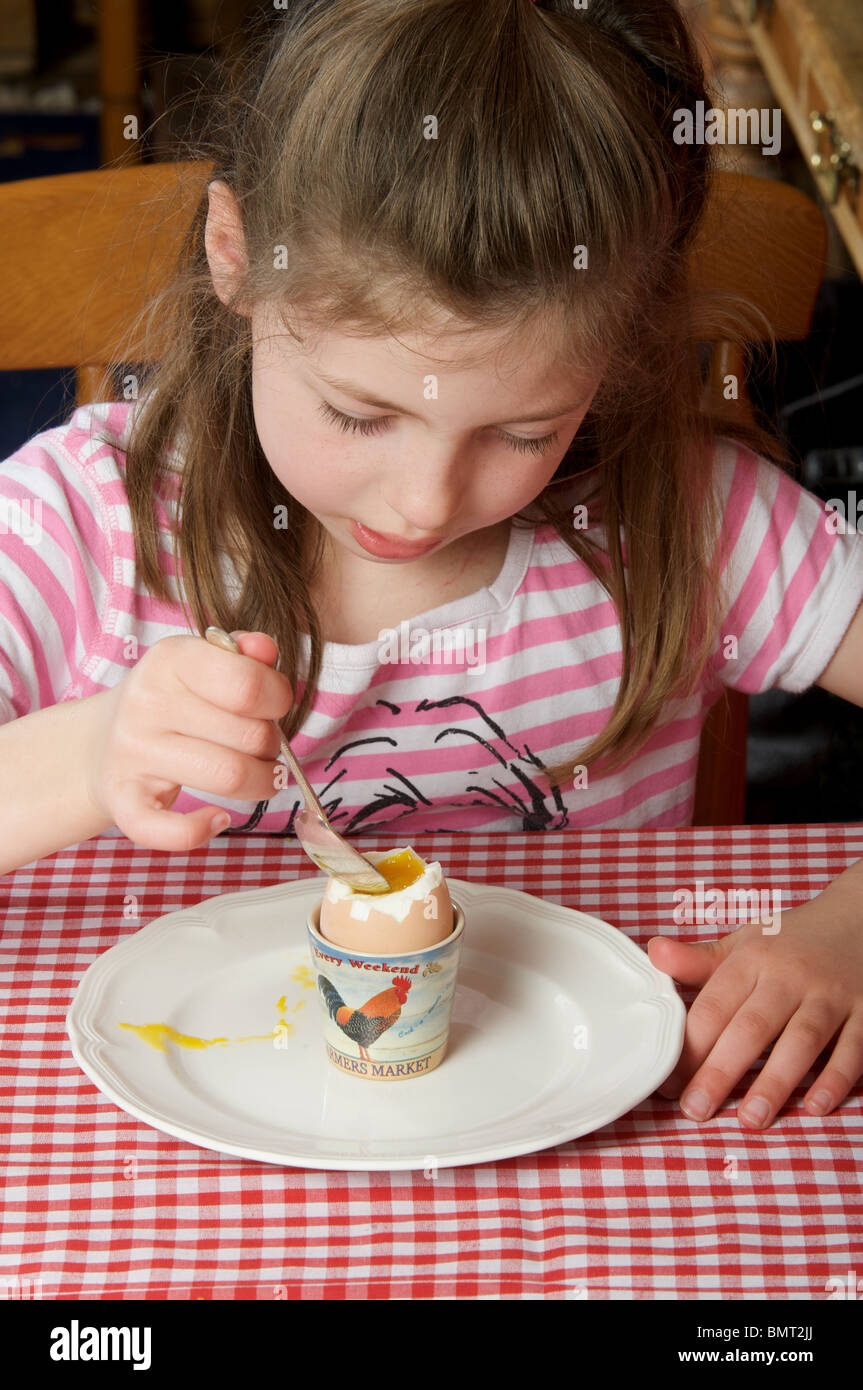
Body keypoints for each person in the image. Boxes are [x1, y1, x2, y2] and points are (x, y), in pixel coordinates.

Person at [2, 0, 862, 1129]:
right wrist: (92, 750)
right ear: (234, 257)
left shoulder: (688, 523)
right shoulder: (83, 525)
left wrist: (844, 932)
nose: (424, 502)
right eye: (357, 415)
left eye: (521, 432)